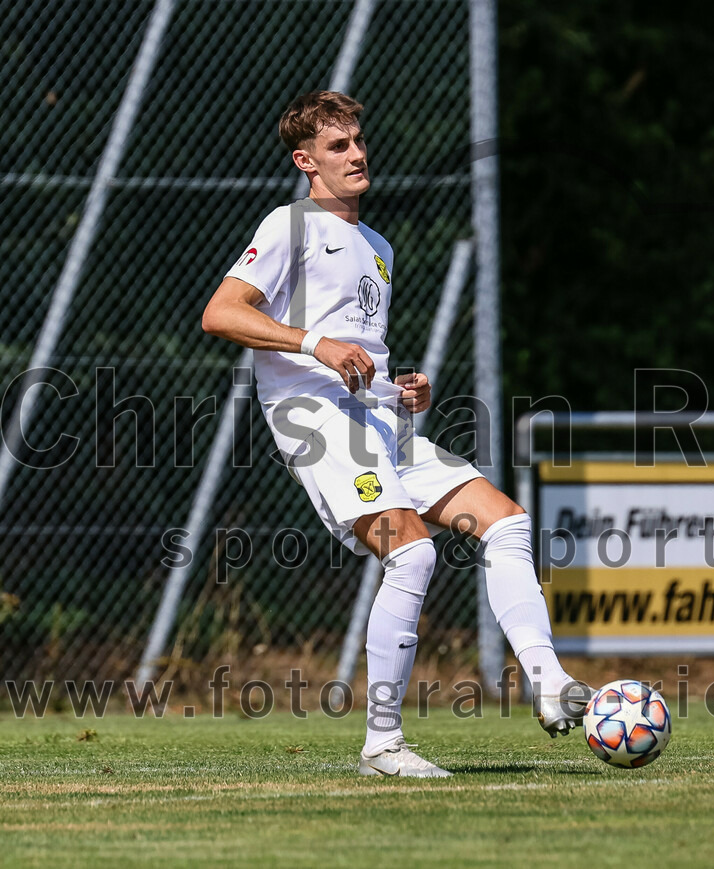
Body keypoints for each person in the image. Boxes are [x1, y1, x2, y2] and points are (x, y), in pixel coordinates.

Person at [202, 91, 591, 777]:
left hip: (377, 421)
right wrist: (315, 343)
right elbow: (222, 313)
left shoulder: (377, 246)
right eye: (337, 146)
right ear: (305, 161)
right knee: (411, 554)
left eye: (357, 140)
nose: (356, 154)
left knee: (504, 520)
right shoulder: (290, 224)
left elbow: (364, 355)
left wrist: (404, 388)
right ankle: (382, 743)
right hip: (314, 420)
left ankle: (551, 681)